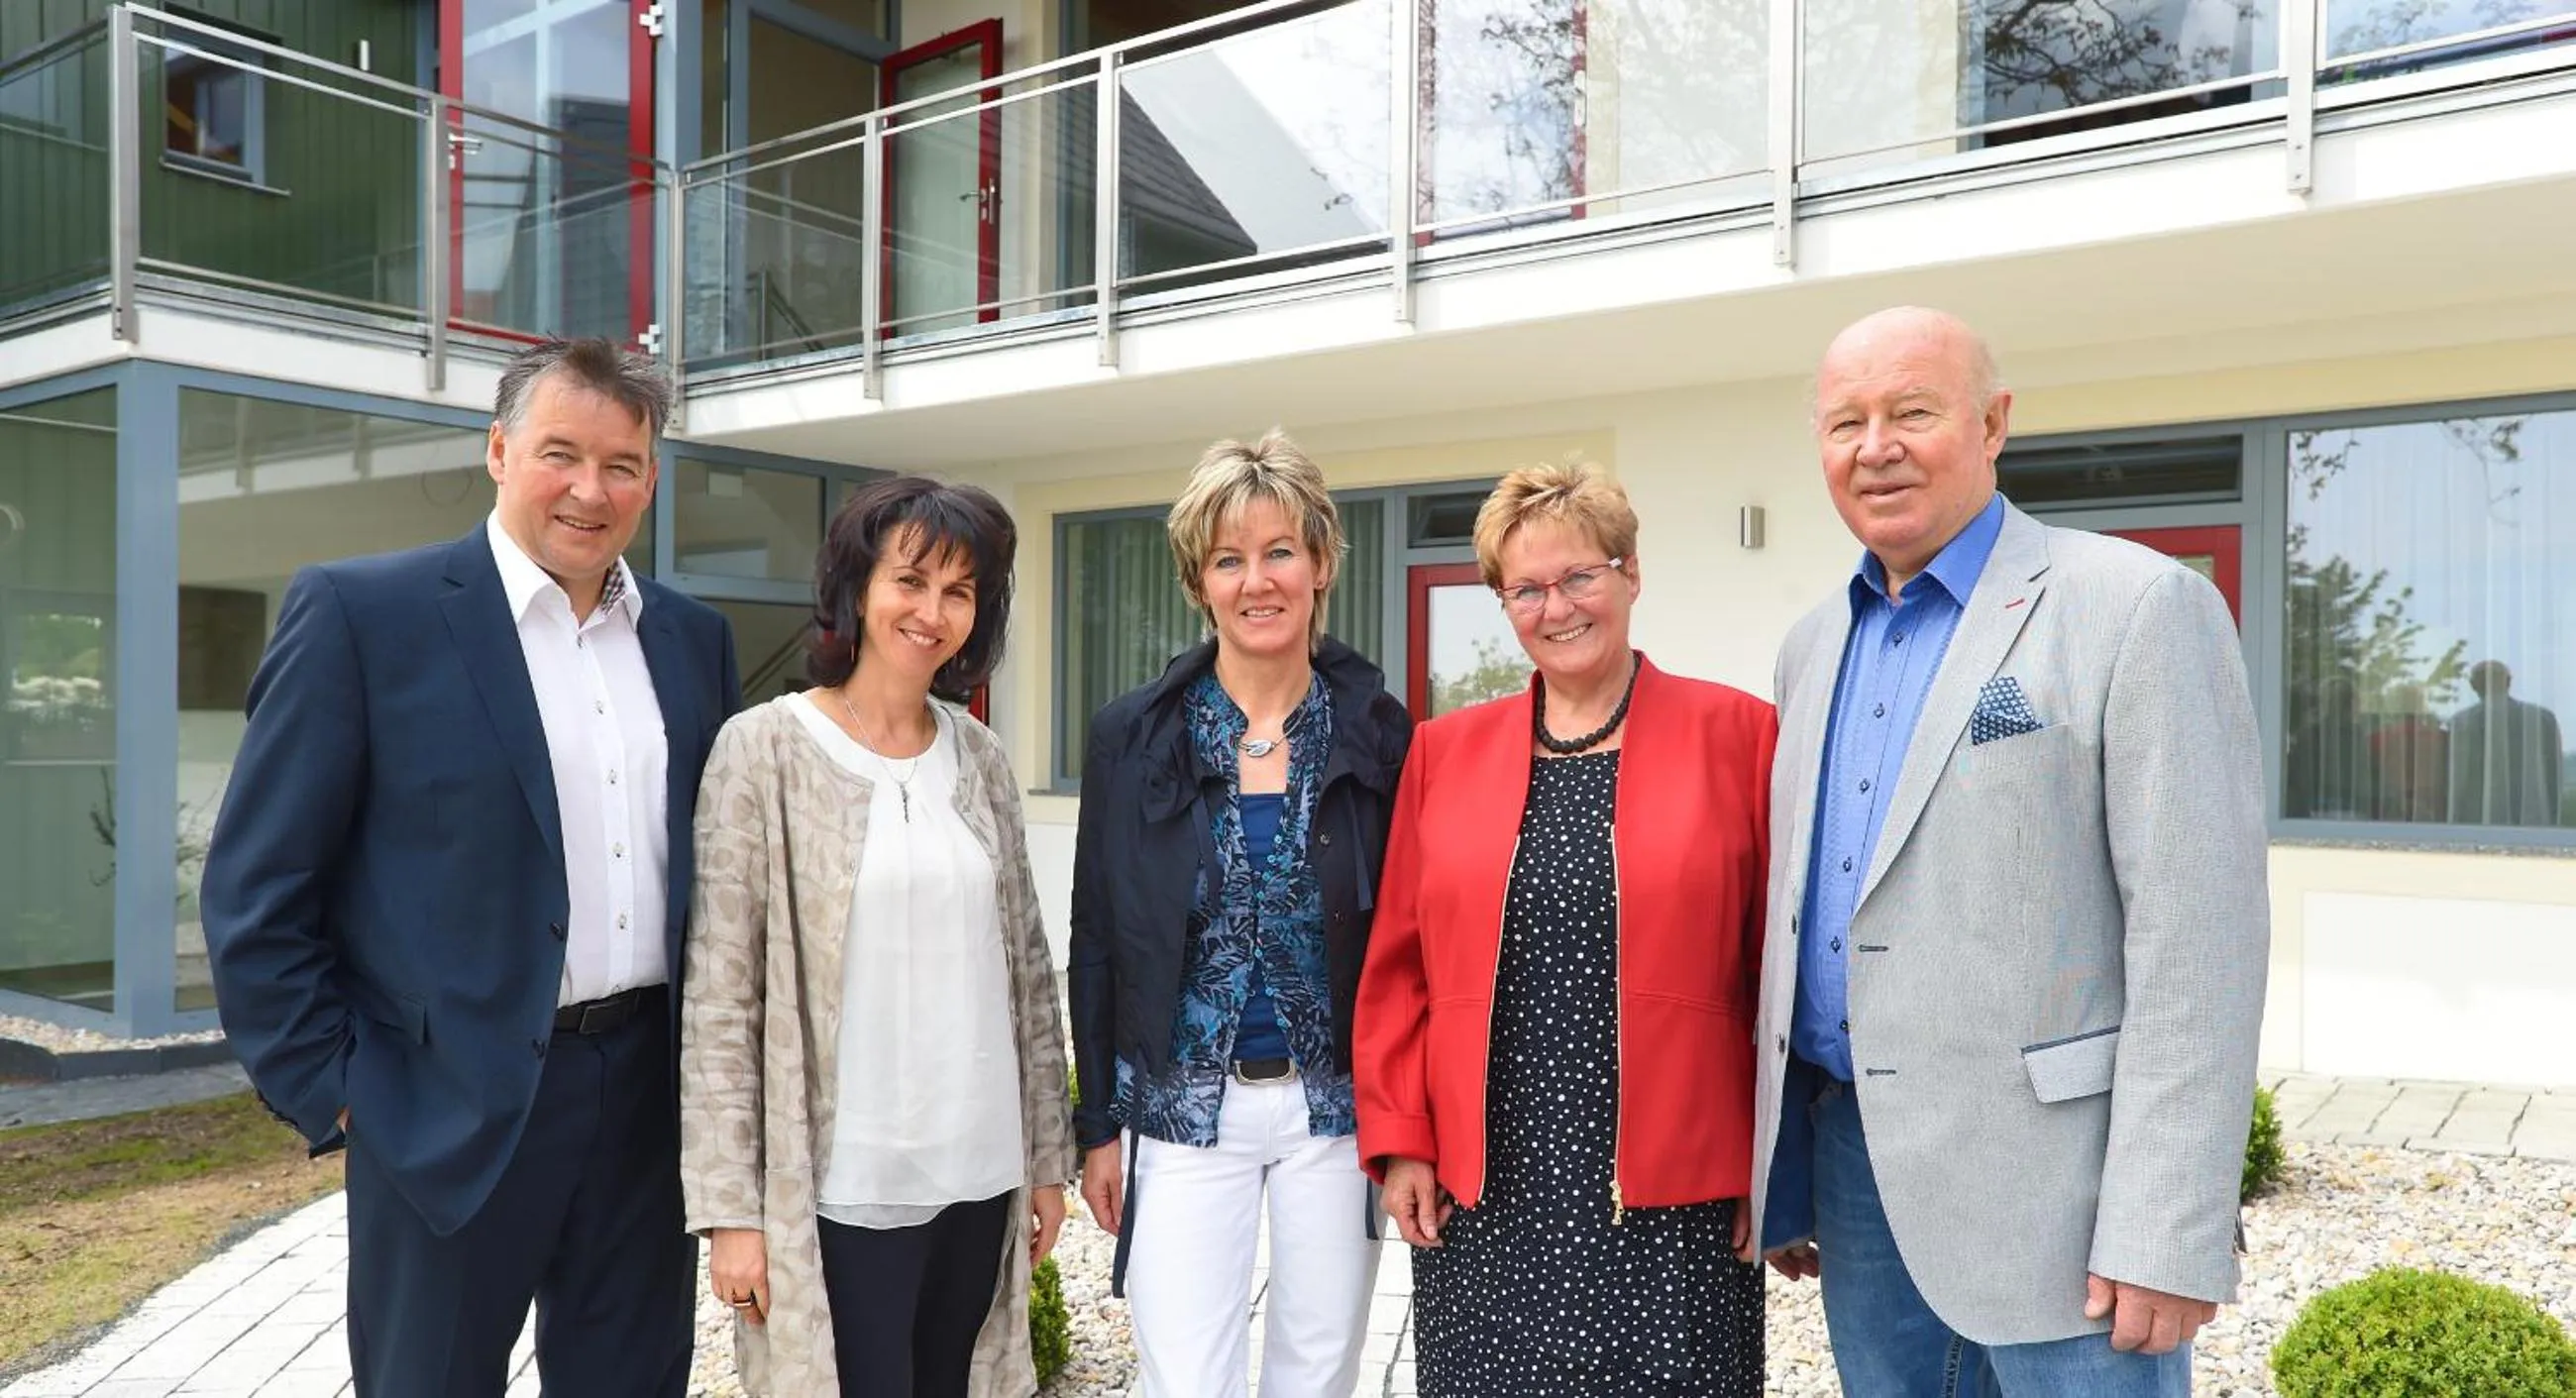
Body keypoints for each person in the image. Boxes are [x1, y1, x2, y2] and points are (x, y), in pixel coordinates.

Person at [200, 339, 740, 1396]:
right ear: (498, 451)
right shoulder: (364, 616)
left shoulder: (690, 638)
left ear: (650, 479)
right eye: (560, 454)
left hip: (645, 1105)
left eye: (621, 464)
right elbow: (257, 889)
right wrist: (344, 1094)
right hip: (440, 1104)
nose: (590, 490)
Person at [1753, 307, 2269, 1397]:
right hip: (1856, 1168)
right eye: (1845, 422)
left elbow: (2199, 939)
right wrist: (1786, 1169)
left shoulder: (2137, 605)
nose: (1875, 447)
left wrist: (2165, 1226)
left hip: (2061, 1201)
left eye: (1912, 411)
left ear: (1992, 424)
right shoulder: (1810, 646)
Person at [1354, 461, 1773, 1398]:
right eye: (1527, 589)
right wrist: (1405, 1137)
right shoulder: (1442, 753)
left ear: (1631, 572)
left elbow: (1778, 973)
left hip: (1681, 1185)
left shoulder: (1741, 735)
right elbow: (1399, 970)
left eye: (1581, 575)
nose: (1558, 607)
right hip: (1490, 1183)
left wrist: (1776, 1156)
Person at [680, 477, 1076, 1398]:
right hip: (845, 1184)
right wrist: (732, 1211)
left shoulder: (980, 757)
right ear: (857, 586)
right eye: (911, 580)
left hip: (978, 1171)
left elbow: (1027, 971)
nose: (932, 611)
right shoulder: (763, 750)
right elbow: (721, 998)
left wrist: (1045, 1163)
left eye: (959, 590)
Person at [1068, 431, 1412, 1397]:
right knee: (1185, 1379)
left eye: (1279, 551)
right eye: (1228, 559)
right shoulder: (1132, 737)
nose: (1256, 581)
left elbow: (1409, 937)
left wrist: (1409, 1119)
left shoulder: (1379, 733)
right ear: (1199, 581)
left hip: (1333, 1113)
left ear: (1321, 564)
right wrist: (1096, 1125)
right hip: (1181, 1108)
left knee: (1319, 1370)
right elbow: (1097, 932)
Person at [2448, 660, 2564, 827]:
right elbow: (2553, 774)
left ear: (2473, 685)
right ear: (2508, 682)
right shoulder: (2542, 718)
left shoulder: (2461, 723)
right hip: (2533, 820)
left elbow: (2456, 777)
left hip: (2475, 822)